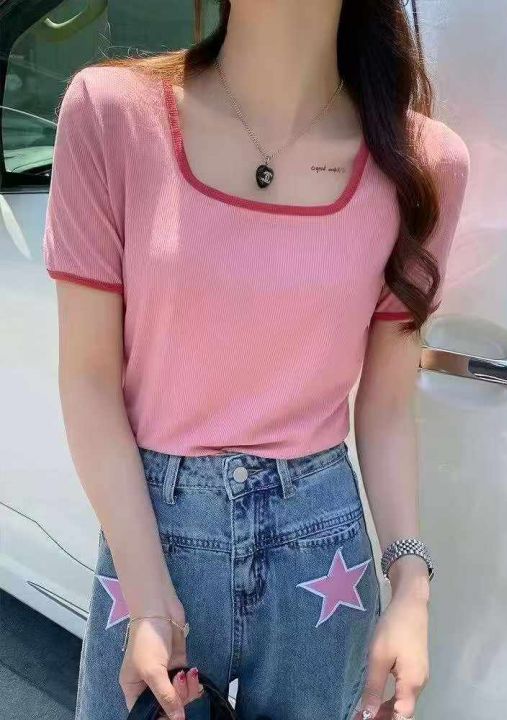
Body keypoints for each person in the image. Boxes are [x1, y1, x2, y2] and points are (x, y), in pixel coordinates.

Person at [42, 2, 470, 719]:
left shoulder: (423, 163)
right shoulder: (112, 114)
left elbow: (388, 404)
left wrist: (410, 586)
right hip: (154, 541)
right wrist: (149, 600)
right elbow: (88, 378)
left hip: (323, 551)